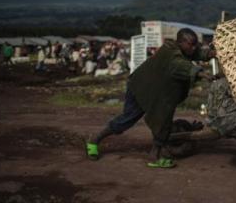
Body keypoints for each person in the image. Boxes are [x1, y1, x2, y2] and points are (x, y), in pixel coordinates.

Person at [86, 28, 215, 168]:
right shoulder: (169, 52)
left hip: (157, 91)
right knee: (128, 119)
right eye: (191, 44)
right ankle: (94, 139)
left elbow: (197, 53)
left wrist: (211, 53)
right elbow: (180, 65)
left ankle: (156, 153)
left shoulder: (183, 50)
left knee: (162, 118)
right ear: (181, 42)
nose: (194, 47)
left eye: (195, 44)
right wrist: (202, 74)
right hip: (142, 88)